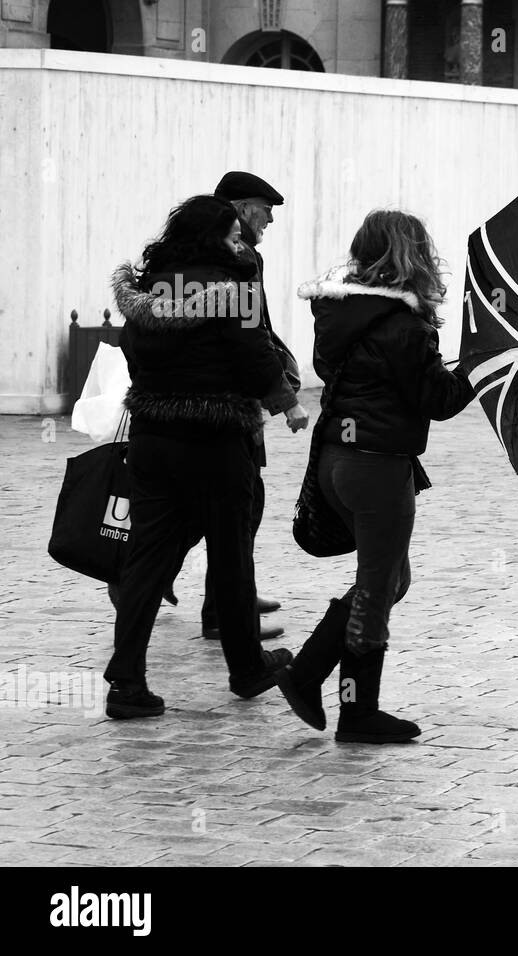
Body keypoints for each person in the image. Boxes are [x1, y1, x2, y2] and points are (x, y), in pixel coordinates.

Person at [104, 195, 307, 719]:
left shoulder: (150, 288)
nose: (240, 242)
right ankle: (247, 668)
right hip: (216, 439)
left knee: (146, 558)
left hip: (153, 437)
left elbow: (131, 350)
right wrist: (286, 403)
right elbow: (253, 356)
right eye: (233, 234)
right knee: (231, 553)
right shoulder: (234, 290)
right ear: (214, 237)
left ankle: (126, 682)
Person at [283, 209, 477, 743]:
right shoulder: (403, 325)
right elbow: (437, 400)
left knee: (389, 580)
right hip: (377, 468)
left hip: (337, 462)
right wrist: (478, 369)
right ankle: (353, 709)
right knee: (376, 586)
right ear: (407, 255)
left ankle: (310, 678)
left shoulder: (341, 313)